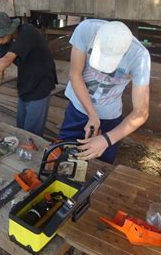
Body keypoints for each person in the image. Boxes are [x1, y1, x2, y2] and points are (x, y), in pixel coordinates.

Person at [59, 19, 151, 164]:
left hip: (109, 118)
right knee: (65, 158)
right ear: (95, 38)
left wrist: (106, 140)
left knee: (101, 166)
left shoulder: (140, 57)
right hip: (77, 109)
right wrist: (92, 114)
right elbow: (75, 74)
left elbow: (141, 112)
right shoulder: (86, 29)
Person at [0, 12, 57, 136]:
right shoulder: (5, 42)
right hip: (25, 83)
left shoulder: (28, 32)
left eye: (0, 37)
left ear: (10, 29)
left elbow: (5, 61)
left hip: (41, 83)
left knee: (32, 134)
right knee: (20, 128)